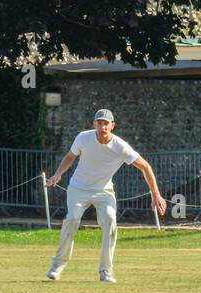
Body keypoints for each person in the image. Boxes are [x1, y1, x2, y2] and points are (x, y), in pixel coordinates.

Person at [44, 109, 168, 282]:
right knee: (72, 219)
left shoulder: (120, 146)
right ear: (94, 124)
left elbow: (145, 166)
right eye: (99, 123)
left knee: (110, 220)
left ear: (112, 126)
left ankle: (105, 271)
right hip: (78, 188)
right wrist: (58, 174)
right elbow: (70, 157)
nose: (102, 126)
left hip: (104, 191)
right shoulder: (83, 137)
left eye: (106, 123)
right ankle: (57, 265)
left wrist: (156, 194)